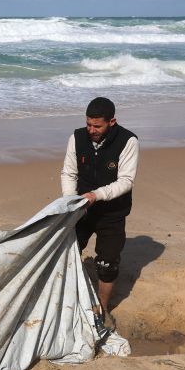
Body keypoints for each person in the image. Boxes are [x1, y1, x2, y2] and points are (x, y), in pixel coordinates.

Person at [60, 97, 139, 331]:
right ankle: (69, 298)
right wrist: (69, 200)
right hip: (81, 209)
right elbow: (68, 172)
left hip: (112, 212)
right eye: (88, 124)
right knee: (69, 252)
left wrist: (96, 195)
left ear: (111, 122)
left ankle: (102, 308)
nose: (91, 130)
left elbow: (126, 181)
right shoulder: (76, 137)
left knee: (107, 263)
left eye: (97, 126)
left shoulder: (128, 141)